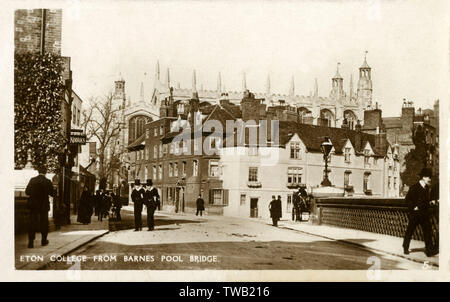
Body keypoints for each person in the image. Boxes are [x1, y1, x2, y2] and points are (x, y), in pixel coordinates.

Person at [402, 168, 437, 257]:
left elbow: (426, 200)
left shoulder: (427, 188)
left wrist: (431, 202)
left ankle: (429, 251)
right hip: (415, 214)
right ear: (423, 177)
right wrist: (414, 207)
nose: (430, 179)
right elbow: (407, 200)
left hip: (424, 213)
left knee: (427, 231)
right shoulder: (414, 187)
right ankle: (405, 247)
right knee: (410, 230)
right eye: (428, 177)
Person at [25, 166, 54, 248]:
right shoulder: (47, 181)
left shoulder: (32, 180)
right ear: (45, 172)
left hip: (33, 205)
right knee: (44, 223)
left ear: (38, 171)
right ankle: (43, 240)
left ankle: (31, 242)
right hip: (43, 205)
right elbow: (52, 193)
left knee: (32, 223)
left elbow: (27, 192)